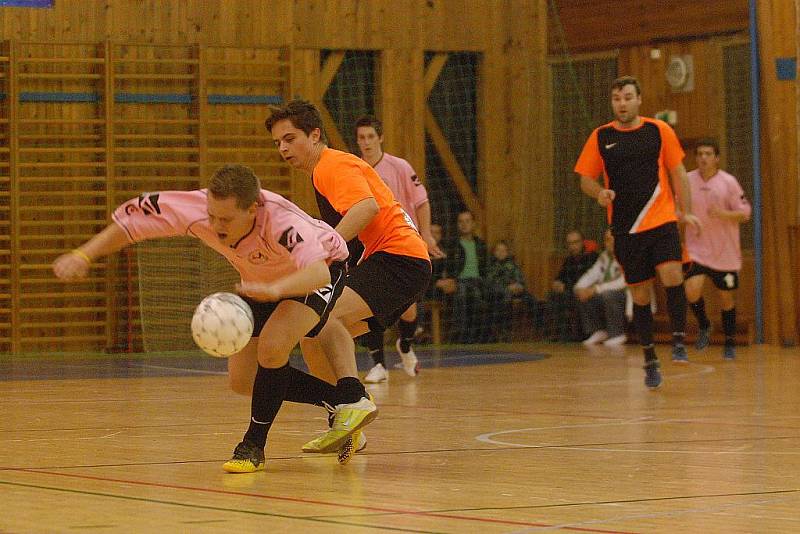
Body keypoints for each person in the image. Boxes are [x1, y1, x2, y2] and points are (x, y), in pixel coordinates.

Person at [53, 164, 352, 473]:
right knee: (242, 379)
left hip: (320, 269)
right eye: (211, 215)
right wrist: (83, 254)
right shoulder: (194, 209)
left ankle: (252, 445)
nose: (215, 226)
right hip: (262, 280)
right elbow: (133, 220)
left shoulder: (283, 223)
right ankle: (343, 400)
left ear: (253, 209)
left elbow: (316, 273)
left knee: (273, 347)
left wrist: (274, 290)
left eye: (225, 219)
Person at [265, 100, 432, 456]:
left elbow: (366, 208)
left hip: (400, 258)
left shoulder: (331, 165)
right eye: (277, 142)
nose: (282, 148)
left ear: (314, 135)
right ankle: (346, 424)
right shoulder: (323, 171)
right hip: (391, 260)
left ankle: (353, 398)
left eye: (290, 139)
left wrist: (323, 253)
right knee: (309, 332)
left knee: (325, 317)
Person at [575, 75, 700, 389]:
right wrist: (599, 193)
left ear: (639, 99)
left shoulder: (658, 130)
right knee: (640, 294)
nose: (622, 103)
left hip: (661, 219)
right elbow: (585, 180)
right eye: (617, 98)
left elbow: (678, 173)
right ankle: (649, 358)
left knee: (672, 273)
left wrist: (686, 211)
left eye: (628, 97)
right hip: (626, 229)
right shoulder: (601, 136)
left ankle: (679, 340)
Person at [353, 115, 444, 383]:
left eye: (371, 137)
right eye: (361, 138)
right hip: (370, 244)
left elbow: (422, 201)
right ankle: (378, 363)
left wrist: (426, 233)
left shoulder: (399, 167)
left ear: (380, 138)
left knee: (408, 309)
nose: (366, 142)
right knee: (366, 303)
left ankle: (404, 345)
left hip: (402, 244)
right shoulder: (355, 168)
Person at [683, 138, 751, 360]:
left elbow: (745, 213)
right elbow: (674, 208)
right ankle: (704, 324)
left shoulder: (729, 182)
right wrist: (684, 217)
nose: (703, 158)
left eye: (708, 154)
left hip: (725, 253)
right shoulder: (686, 180)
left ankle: (729, 342)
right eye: (700, 154)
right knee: (691, 289)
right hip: (696, 248)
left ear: (717, 158)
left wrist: (723, 215)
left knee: (726, 299)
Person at [438, 210, 489, 343]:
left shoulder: (481, 245)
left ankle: (491, 334)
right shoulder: (452, 245)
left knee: (499, 292)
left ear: (473, 224)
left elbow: (486, 267)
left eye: (467, 221)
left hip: (479, 281)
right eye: (461, 222)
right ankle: (461, 335)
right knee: (467, 293)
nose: (464, 224)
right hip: (460, 281)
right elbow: (445, 267)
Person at [574, 229, 628, 346]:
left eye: (614, 239)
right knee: (583, 293)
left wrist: (595, 289)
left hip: (629, 298)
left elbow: (624, 282)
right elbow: (592, 274)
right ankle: (598, 331)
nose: (611, 242)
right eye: (607, 240)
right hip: (606, 295)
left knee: (608, 294)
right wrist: (579, 287)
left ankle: (617, 334)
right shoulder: (604, 256)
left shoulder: (629, 255)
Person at [546, 230, 598, 342]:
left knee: (572, 298)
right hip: (570, 292)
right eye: (570, 243)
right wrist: (557, 282)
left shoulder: (593, 257)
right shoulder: (569, 260)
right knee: (553, 296)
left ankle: (582, 334)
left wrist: (566, 287)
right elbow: (560, 276)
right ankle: (559, 333)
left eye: (575, 242)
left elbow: (588, 280)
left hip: (587, 292)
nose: (573, 246)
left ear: (582, 242)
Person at [486, 240, 538, 341]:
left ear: (507, 252)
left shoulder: (513, 265)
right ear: (494, 252)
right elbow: (490, 283)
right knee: (506, 296)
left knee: (532, 299)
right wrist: (507, 287)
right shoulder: (491, 266)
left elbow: (520, 278)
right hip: (499, 292)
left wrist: (519, 286)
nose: (501, 253)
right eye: (498, 250)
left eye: (504, 250)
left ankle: (537, 330)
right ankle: (504, 330)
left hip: (516, 290)